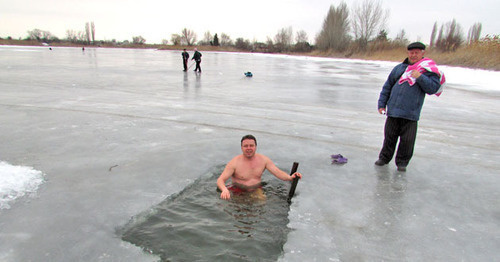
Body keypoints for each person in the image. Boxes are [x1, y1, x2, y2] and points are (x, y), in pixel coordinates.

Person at [375, 42, 445, 172]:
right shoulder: (400, 68)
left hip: (411, 113)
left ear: (422, 53)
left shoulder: (428, 70)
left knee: (407, 141)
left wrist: (420, 77)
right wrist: (381, 104)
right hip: (394, 111)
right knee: (389, 138)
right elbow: (388, 86)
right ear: (408, 53)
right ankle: (384, 158)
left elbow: (433, 88)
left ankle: (402, 163)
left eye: (416, 53)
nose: (413, 55)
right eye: (411, 53)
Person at [217, 135, 302, 200]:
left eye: (251, 145)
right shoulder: (234, 162)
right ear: (241, 148)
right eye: (245, 146)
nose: (249, 148)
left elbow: (277, 172)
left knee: (261, 206)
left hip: (256, 189)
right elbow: (220, 180)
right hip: (237, 190)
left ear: (255, 147)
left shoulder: (263, 160)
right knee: (239, 213)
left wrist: (290, 177)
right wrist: (224, 189)